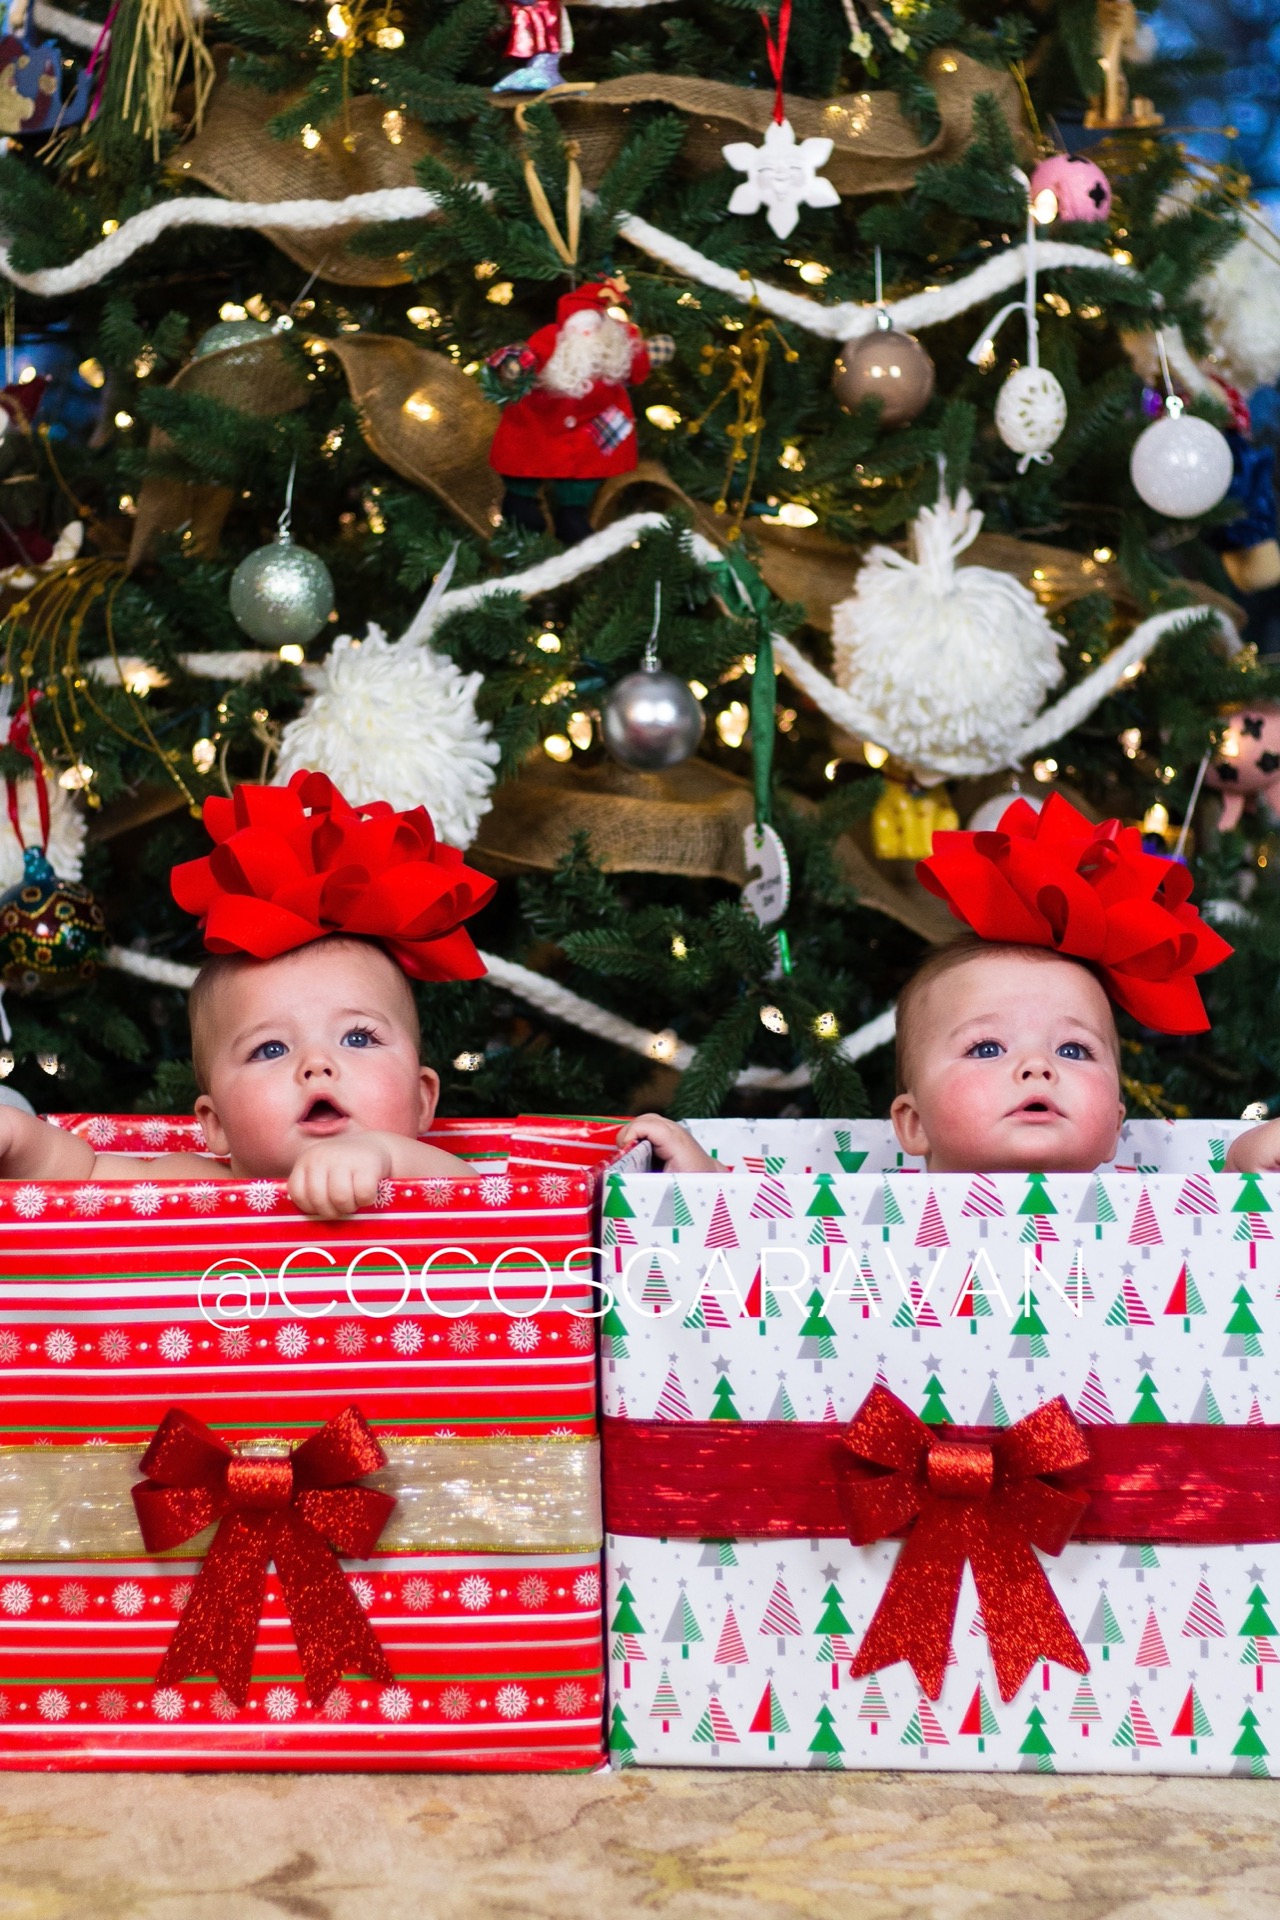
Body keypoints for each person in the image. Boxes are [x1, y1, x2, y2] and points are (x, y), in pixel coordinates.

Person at [619, 792, 1279, 1177]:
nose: (1037, 1069)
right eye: (987, 1048)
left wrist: (1250, 1161)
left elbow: (1223, 1221)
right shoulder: (875, 1214)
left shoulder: (1145, 1201)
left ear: (1115, 1122)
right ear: (912, 1124)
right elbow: (752, 1241)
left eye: (1074, 1051)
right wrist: (697, 1184)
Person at [0, 771, 495, 1217]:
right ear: (215, 1123)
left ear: (423, 1096)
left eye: (359, 1038)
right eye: (271, 1048)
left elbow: (484, 1208)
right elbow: (84, 1177)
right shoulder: (199, 1188)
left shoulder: (430, 1178)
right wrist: (20, 1139)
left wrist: (382, 1155)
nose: (317, 1064)